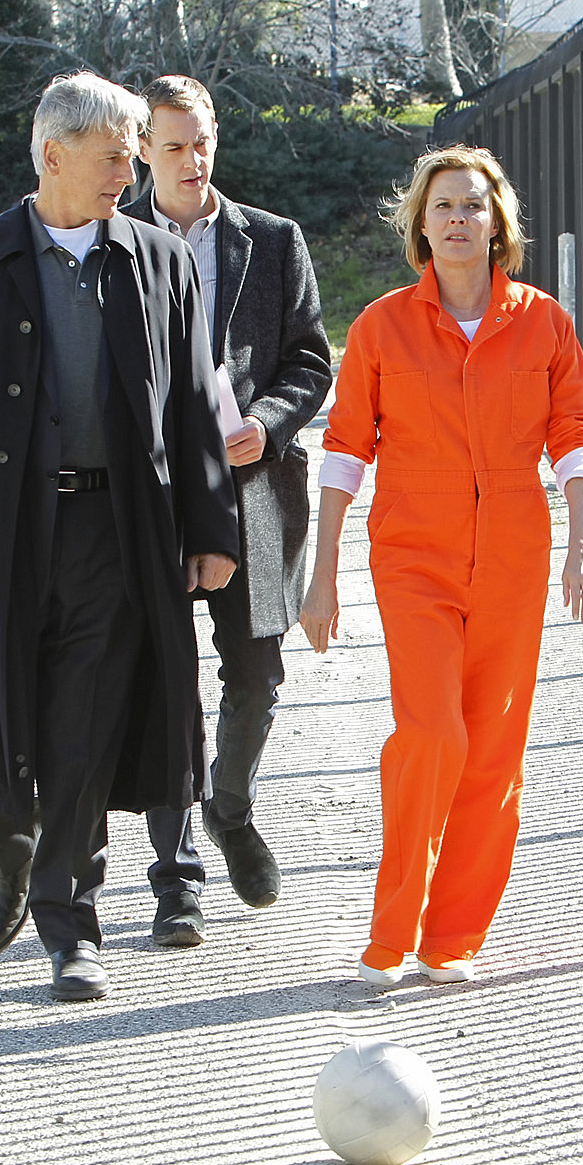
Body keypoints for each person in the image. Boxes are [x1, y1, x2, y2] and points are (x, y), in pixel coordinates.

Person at [0, 71, 240, 1002]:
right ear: (53, 156)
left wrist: (211, 525)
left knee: (83, 732)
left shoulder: (158, 260)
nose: (126, 174)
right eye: (112, 157)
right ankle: (13, 859)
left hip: (117, 531)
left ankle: (70, 925)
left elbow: (196, 412)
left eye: (132, 157)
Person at [298, 145, 583, 987]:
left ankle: (452, 938)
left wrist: (582, 538)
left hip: (512, 553)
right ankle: (392, 931)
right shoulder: (382, 326)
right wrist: (320, 573)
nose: (459, 220)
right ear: (420, 225)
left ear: (498, 221)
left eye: (473, 205)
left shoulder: (543, 323)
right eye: (443, 208)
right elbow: (345, 450)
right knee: (432, 733)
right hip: (414, 555)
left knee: (493, 752)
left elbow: (573, 431)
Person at [124, 74, 333, 946]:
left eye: (202, 141)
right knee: (162, 687)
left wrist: (268, 423)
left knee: (255, 678)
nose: (191, 159)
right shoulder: (113, 241)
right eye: (172, 145)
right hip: (152, 499)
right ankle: (176, 880)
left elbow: (311, 360)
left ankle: (231, 809)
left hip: (253, 490)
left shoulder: (272, 241)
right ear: (142, 151)